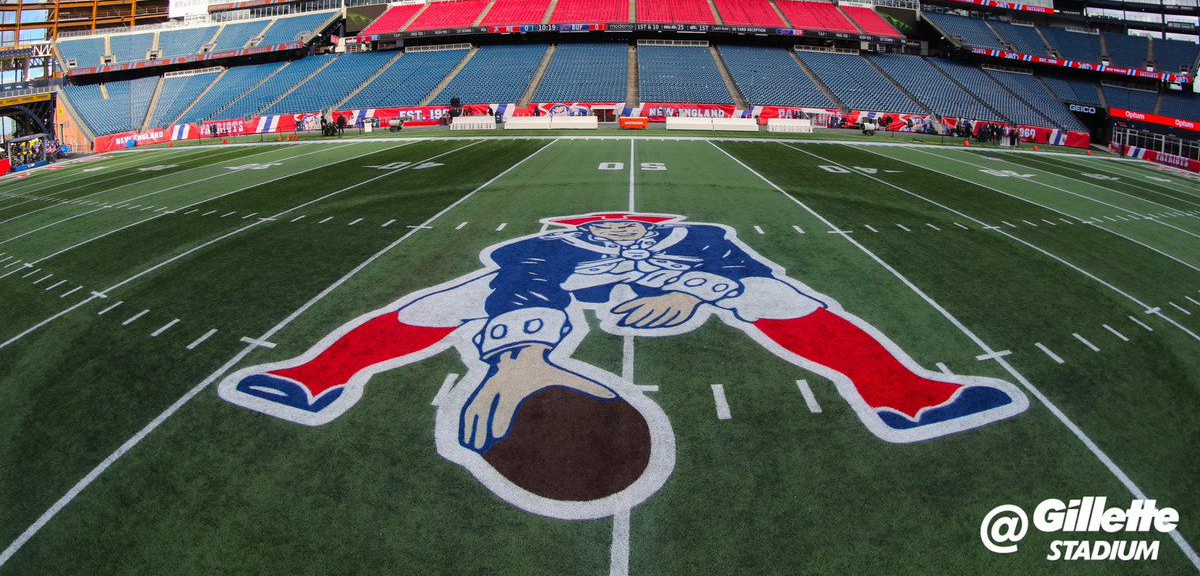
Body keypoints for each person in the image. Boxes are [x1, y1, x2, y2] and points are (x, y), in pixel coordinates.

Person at [222, 212, 1027, 515]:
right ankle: (314, 376)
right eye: (607, 230)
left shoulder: (696, 242)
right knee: (435, 307)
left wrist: (700, 294)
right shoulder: (553, 246)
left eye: (628, 232)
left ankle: (904, 391)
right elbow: (522, 280)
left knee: (784, 303)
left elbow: (750, 275)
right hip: (557, 286)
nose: (620, 235)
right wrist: (522, 359)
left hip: (684, 277)